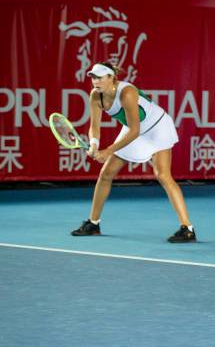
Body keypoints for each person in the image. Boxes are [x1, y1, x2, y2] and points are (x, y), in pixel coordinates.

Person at [70, 62, 197, 243]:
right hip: (133, 129)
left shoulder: (127, 92)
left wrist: (108, 151)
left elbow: (135, 131)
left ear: (111, 77)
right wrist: (94, 144)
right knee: (106, 174)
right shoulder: (95, 97)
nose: (95, 81)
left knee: (162, 175)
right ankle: (93, 223)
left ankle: (188, 229)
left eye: (99, 77)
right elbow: (94, 127)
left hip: (156, 127)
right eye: (92, 77)